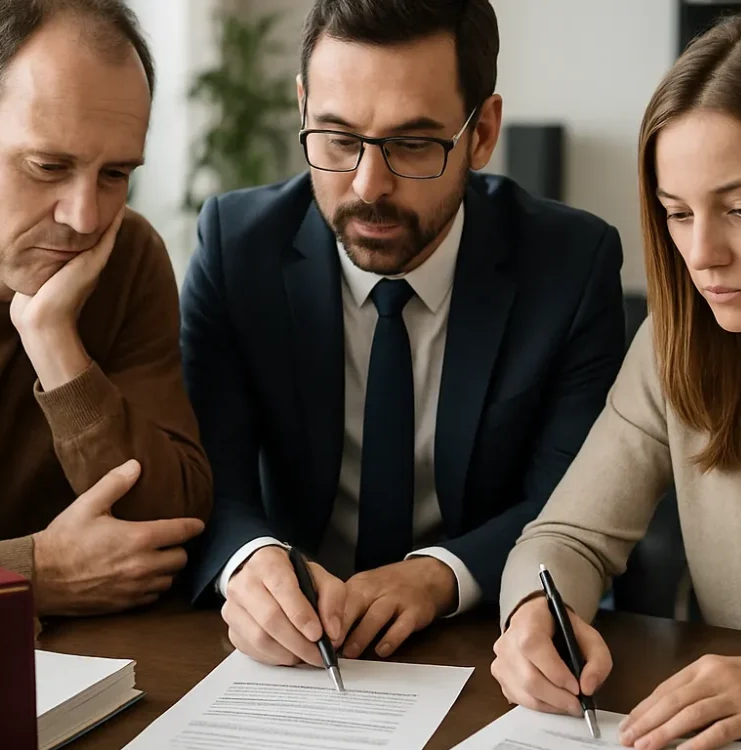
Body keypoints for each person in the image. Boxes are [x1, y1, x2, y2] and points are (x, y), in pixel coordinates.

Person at [182, 0, 625, 668]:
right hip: (295, 656)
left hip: (483, 646)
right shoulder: (234, 247)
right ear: (303, 108)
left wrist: (439, 575)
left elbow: (569, 501)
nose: (368, 185)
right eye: (336, 139)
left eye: (412, 144)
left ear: (482, 134)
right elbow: (211, 479)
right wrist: (249, 562)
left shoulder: (570, 264)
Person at [492, 6, 741, 749]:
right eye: (676, 214)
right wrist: (534, 615)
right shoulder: (676, 349)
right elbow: (567, 537)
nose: (703, 255)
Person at [0, 0, 213, 616]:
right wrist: (30, 573)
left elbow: (172, 525)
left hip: (89, 676)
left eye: (115, 174)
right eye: (48, 167)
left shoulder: (128, 258)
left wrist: (56, 343)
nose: (84, 218)